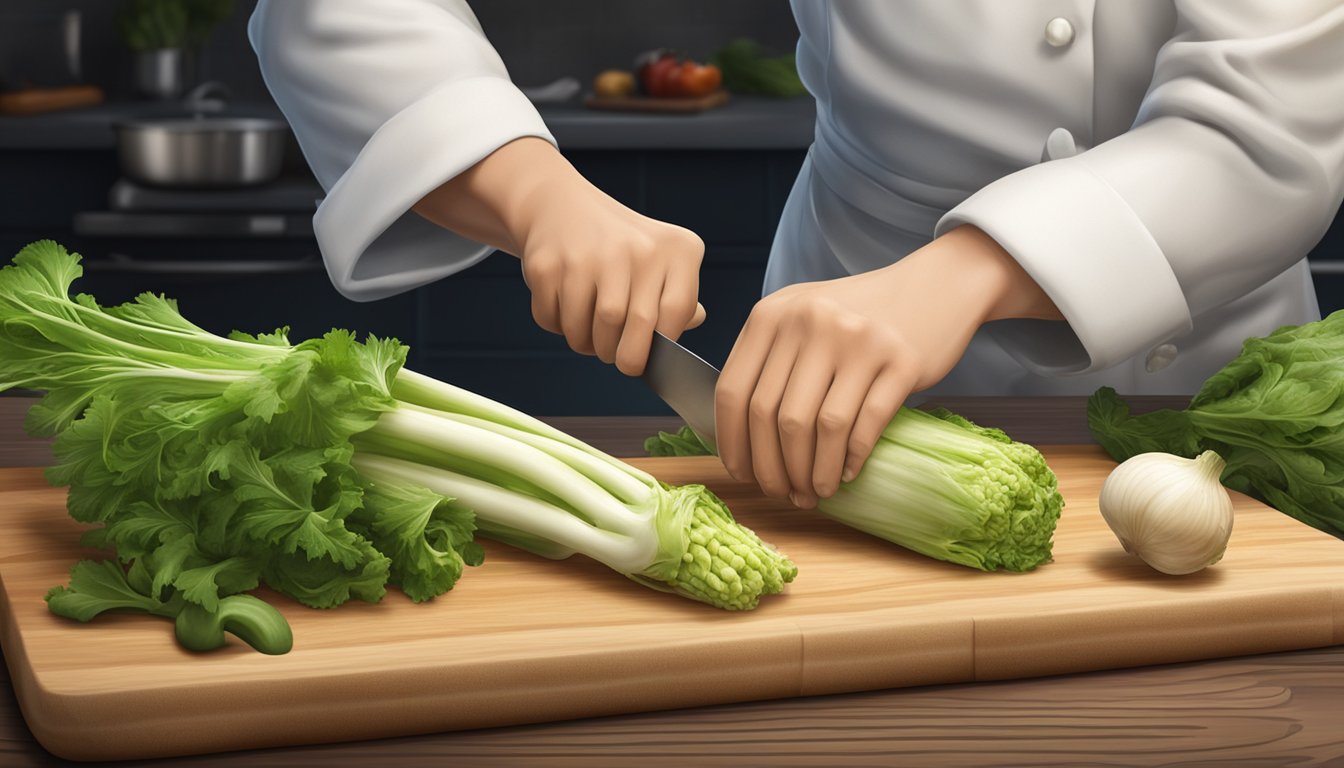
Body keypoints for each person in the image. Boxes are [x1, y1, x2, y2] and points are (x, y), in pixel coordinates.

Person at [249, 1, 1344, 509]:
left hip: (1219, 380)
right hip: (830, 394)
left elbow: (1268, 128)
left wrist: (962, 275)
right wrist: (533, 196)